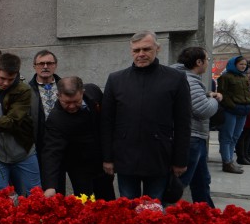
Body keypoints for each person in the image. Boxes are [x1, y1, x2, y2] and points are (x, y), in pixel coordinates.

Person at [100, 31, 191, 199]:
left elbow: (183, 123)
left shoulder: (176, 78)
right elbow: (106, 122)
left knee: (153, 209)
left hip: (159, 157)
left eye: (146, 49)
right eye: (136, 50)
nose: (141, 54)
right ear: (131, 51)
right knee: (127, 208)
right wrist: (107, 158)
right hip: (125, 158)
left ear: (157, 48)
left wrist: (180, 160)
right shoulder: (116, 79)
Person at [40, 77, 115, 200]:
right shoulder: (55, 119)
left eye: (76, 101)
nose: (71, 106)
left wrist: (109, 157)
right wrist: (50, 186)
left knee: (108, 201)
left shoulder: (93, 91)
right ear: (58, 95)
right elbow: (51, 152)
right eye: (66, 102)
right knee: (84, 203)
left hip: (102, 162)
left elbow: (107, 121)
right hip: (79, 167)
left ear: (82, 92)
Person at [0, 52, 40, 196]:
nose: (5, 83)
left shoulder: (24, 90)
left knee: (35, 194)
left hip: (23, 152)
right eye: (2, 78)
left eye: (10, 79)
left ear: (17, 74)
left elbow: (13, 121)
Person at [172, 47, 221, 203]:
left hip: (195, 137)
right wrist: (215, 99)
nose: (208, 63)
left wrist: (207, 95)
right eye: (207, 59)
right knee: (178, 185)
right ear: (198, 62)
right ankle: (159, 212)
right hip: (192, 137)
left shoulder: (183, 77)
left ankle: (206, 213)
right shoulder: (189, 79)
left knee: (201, 181)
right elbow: (202, 109)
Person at [28, 50, 60, 192]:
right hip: (39, 145)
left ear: (55, 65)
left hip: (63, 144)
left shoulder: (64, 86)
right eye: (41, 63)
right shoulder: (27, 90)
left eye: (49, 63)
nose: (45, 66)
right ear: (34, 66)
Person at [216, 55, 250, 173]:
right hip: (231, 111)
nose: (243, 66)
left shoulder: (244, 77)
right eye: (241, 64)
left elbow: (247, 93)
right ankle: (226, 162)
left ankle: (231, 160)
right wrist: (232, 106)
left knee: (236, 136)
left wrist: (249, 104)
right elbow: (222, 94)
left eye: (245, 64)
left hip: (243, 110)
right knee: (227, 136)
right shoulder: (225, 77)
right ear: (234, 64)